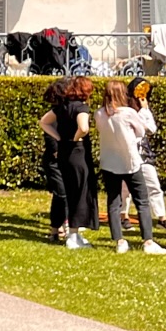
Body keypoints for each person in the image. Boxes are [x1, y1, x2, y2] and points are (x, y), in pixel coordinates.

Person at [94, 77, 166, 254]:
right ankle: (148, 241)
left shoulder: (99, 113)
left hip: (109, 162)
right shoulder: (128, 113)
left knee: (114, 202)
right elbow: (141, 131)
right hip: (130, 162)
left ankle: (119, 241)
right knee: (141, 200)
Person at [40, 77, 94, 249]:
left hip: (64, 153)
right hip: (77, 152)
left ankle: (69, 231)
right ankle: (73, 235)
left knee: (69, 192)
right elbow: (84, 128)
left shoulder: (61, 107)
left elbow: (44, 122)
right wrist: (75, 139)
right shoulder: (81, 107)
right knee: (79, 192)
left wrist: (61, 138)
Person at [123, 77, 166, 232]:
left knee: (154, 184)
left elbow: (151, 128)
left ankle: (161, 217)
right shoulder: (126, 111)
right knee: (126, 188)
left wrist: (145, 109)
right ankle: (124, 216)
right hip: (128, 153)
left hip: (143, 154)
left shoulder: (144, 110)